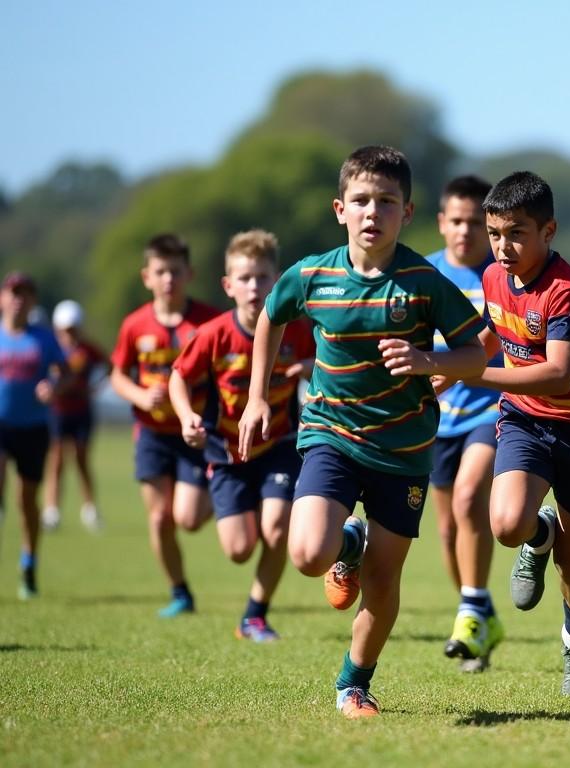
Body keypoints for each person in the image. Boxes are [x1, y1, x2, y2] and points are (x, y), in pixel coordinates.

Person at [237, 145, 486, 719]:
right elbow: (272, 315)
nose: (373, 211)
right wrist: (256, 399)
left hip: (404, 451)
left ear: (408, 212)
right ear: (340, 209)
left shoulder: (425, 282)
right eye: (361, 200)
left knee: (384, 577)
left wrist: (431, 365)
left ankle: (355, 684)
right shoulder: (313, 274)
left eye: (387, 201)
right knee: (305, 553)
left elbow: (481, 351)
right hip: (331, 435)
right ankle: (345, 541)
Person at [467, 171, 570, 694]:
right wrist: (446, 365)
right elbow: (493, 331)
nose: (502, 246)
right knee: (507, 524)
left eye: (515, 233)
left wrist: (474, 375)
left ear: (548, 230)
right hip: (525, 419)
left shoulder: (566, 291)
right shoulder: (493, 277)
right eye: (494, 233)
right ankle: (536, 533)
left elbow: (559, 374)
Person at [169, 230, 316, 641]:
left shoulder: (297, 329)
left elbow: (324, 359)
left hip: (281, 447)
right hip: (228, 453)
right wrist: (185, 418)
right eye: (245, 278)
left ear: (277, 281)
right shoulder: (213, 334)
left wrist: (309, 366)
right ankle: (238, 502)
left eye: (263, 278)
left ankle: (255, 615)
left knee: (277, 528)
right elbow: (178, 377)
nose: (254, 287)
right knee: (238, 550)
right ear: (228, 285)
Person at [110, 234, 220, 618]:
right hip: (152, 435)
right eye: (160, 271)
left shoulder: (208, 321)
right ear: (147, 277)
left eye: (175, 271)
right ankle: (180, 592)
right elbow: (117, 375)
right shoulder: (134, 325)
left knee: (186, 519)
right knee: (159, 518)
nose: (168, 278)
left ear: (189, 273)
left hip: (195, 434)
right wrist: (140, 397)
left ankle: (224, 496)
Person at [425, 175, 506, 671]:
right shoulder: (423, 274)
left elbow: (498, 344)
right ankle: (477, 611)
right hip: (435, 418)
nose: (465, 231)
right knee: (447, 531)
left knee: (468, 495)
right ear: (441, 222)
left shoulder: (502, 275)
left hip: (489, 408)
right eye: (456, 221)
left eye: (476, 222)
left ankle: (472, 611)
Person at [0, 272, 67, 599]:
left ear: (33, 301)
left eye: (24, 294)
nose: (18, 299)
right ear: (2, 298)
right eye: (13, 293)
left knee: (27, 501)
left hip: (33, 428)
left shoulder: (44, 338)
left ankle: (28, 561)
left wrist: (53, 386)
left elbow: (65, 373)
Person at [41, 300, 109, 533]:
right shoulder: (52, 348)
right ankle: (51, 510)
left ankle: (90, 509)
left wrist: (95, 388)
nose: (68, 333)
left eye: (72, 329)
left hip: (81, 411)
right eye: (64, 329)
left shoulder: (87, 350)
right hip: (58, 411)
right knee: (56, 460)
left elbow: (110, 367)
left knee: (81, 460)